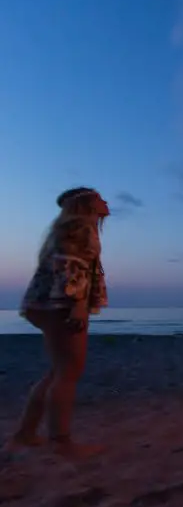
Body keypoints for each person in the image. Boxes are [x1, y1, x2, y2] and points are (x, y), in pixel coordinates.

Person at [8, 187, 110, 458]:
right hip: (62, 304)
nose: (106, 202)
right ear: (87, 204)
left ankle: (26, 434)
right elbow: (71, 264)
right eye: (100, 198)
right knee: (68, 372)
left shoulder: (69, 227)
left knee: (59, 370)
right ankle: (61, 443)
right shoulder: (80, 227)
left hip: (48, 304)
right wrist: (77, 303)